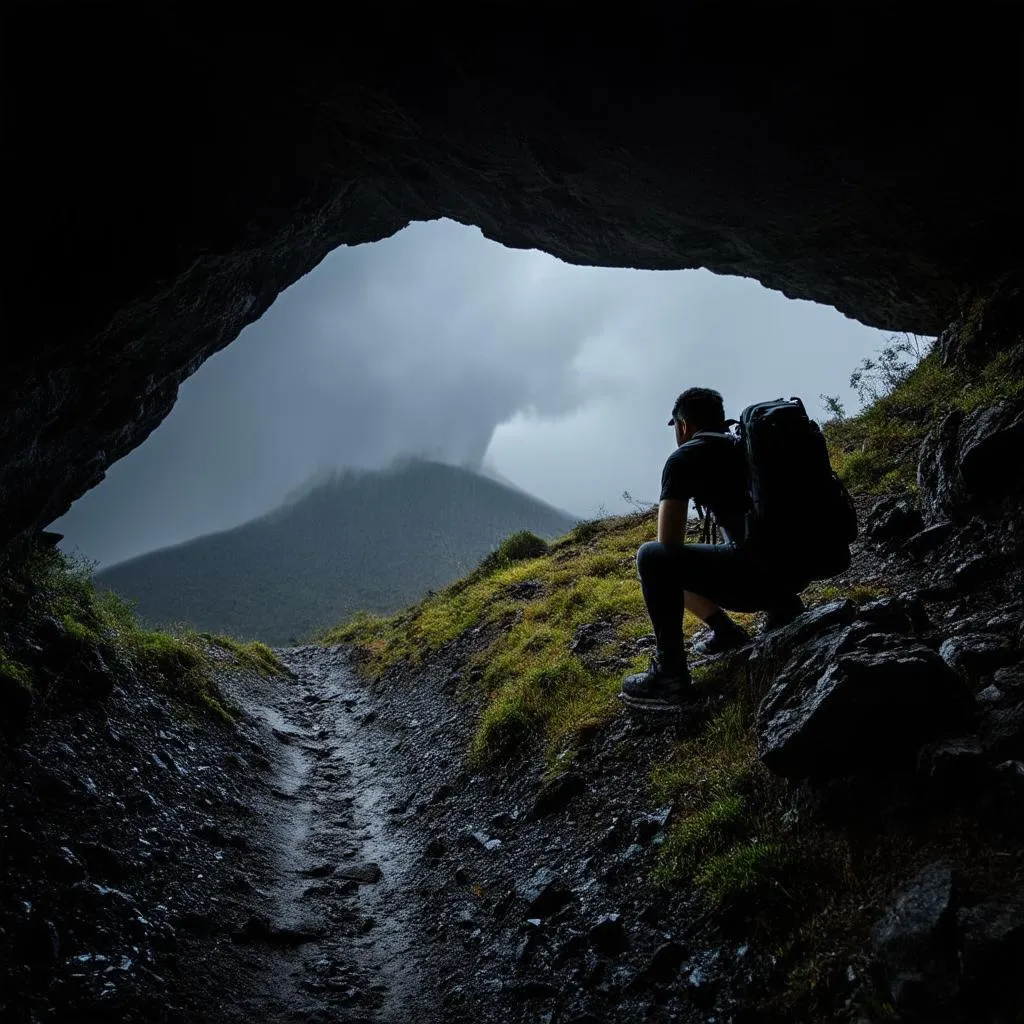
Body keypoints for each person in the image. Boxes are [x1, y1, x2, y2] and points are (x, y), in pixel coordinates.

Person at [620, 387, 805, 710]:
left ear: (683, 426)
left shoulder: (684, 457)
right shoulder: (747, 446)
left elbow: (668, 545)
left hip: (757, 582)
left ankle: (671, 674)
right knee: (735, 540)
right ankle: (757, 620)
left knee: (651, 558)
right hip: (798, 570)